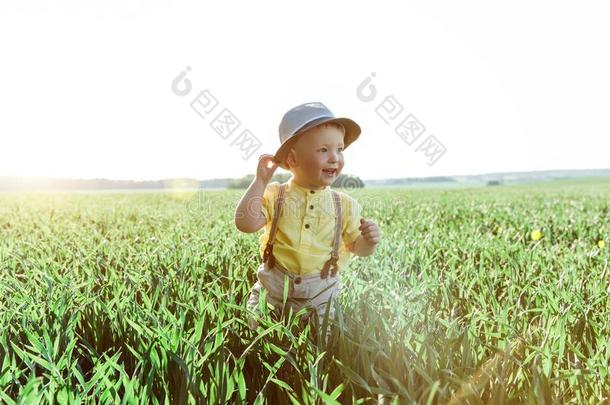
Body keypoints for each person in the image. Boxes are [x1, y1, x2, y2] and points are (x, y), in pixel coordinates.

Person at [234, 102, 380, 342]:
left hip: (320, 295)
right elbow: (245, 223)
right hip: (273, 290)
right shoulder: (275, 195)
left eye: (340, 150)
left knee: (324, 342)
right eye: (323, 150)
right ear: (292, 159)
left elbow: (358, 248)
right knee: (258, 334)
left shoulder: (344, 205)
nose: (334, 158)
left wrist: (369, 241)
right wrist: (259, 181)